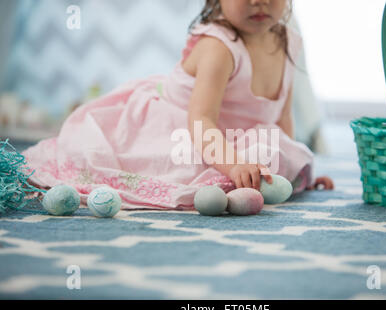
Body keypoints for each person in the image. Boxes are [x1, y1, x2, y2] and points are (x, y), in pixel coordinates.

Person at [23, 0, 334, 210]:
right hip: (184, 127)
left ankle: (253, 177)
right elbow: (200, 121)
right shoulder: (220, 47)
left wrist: (297, 171)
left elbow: (280, 118)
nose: (259, 0)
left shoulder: (289, 42)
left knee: (267, 150)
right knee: (182, 166)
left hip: (231, 135)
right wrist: (234, 165)